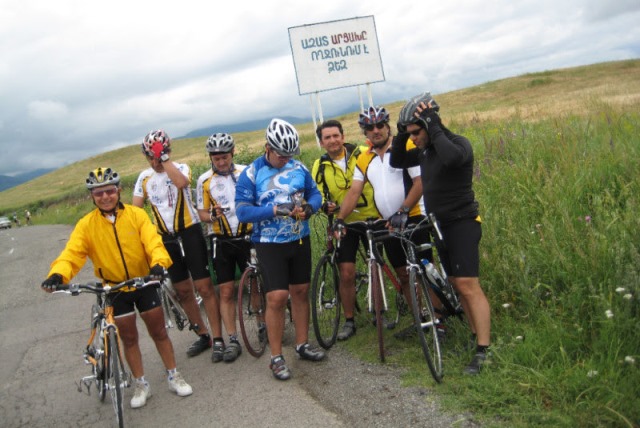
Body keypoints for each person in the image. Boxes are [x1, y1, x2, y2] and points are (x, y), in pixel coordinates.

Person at [41, 167, 192, 409]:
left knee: (159, 332)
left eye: (109, 191)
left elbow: (153, 242)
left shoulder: (136, 215)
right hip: (114, 289)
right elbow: (72, 253)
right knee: (129, 338)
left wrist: (158, 264)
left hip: (143, 281)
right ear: (92, 196)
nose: (105, 197)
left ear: (118, 191)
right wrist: (58, 273)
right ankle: (141, 384)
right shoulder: (86, 225)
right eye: (98, 193)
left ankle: (174, 375)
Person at [391, 92, 491, 375]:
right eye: (409, 133)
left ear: (429, 124)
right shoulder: (424, 152)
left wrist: (432, 124)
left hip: (463, 222)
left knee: (469, 284)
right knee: (458, 285)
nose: (413, 138)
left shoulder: (458, 144)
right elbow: (397, 160)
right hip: (439, 225)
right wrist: (401, 132)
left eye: (415, 132)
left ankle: (485, 350)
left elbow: (450, 160)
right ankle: (474, 337)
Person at [235, 118, 326, 380]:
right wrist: (274, 209)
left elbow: (315, 194)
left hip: (299, 238)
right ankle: (276, 357)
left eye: (289, 154)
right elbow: (242, 212)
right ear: (267, 148)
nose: (285, 159)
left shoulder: (299, 166)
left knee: (301, 291)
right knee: (276, 297)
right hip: (268, 243)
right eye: (280, 154)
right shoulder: (251, 173)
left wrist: (311, 207)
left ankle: (302, 344)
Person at [132, 130, 224, 362]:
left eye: (159, 156)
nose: (155, 162)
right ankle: (204, 335)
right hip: (165, 239)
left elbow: (182, 183)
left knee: (204, 287)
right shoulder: (144, 178)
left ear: (168, 152)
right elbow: (135, 212)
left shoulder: (180, 168)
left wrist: (164, 159)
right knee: (183, 290)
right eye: (150, 157)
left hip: (190, 232)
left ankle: (220, 338)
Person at [334, 106, 429, 317]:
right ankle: (419, 319)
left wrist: (403, 209)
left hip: (414, 216)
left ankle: (438, 319)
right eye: (370, 127)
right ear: (364, 132)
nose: (375, 130)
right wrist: (340, 219)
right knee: (403, 274)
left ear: (388, 127)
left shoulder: (405, 146)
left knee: (424, 271)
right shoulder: (364, 159)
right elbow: (354, 192)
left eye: (380, 126)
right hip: (389, 222)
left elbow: (420, 182)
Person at [311, 119, 379, 340]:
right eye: (327, 137)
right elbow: (316, 194)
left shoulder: (363, 152)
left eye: (336, 135)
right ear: (321, 142)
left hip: (373, 217)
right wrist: (324, 206)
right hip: (345, 223)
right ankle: (349, 320)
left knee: (376, 267)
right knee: (347, 273)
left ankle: (379, 312)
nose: (332, 140)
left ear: (343, 135)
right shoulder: (319, 166)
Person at [196, 132, 252, 363]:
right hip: (222, 240)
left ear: (233, 153)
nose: (221, 162)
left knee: (255, 284)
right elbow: (201, 213)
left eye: (225, 157)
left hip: (248, 236)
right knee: (226, 291)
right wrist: (212, 215)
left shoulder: (246, 172)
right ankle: (233, 339)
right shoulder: (204, 180)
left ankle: (261, 326)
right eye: (216, 158)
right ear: (211, 158)